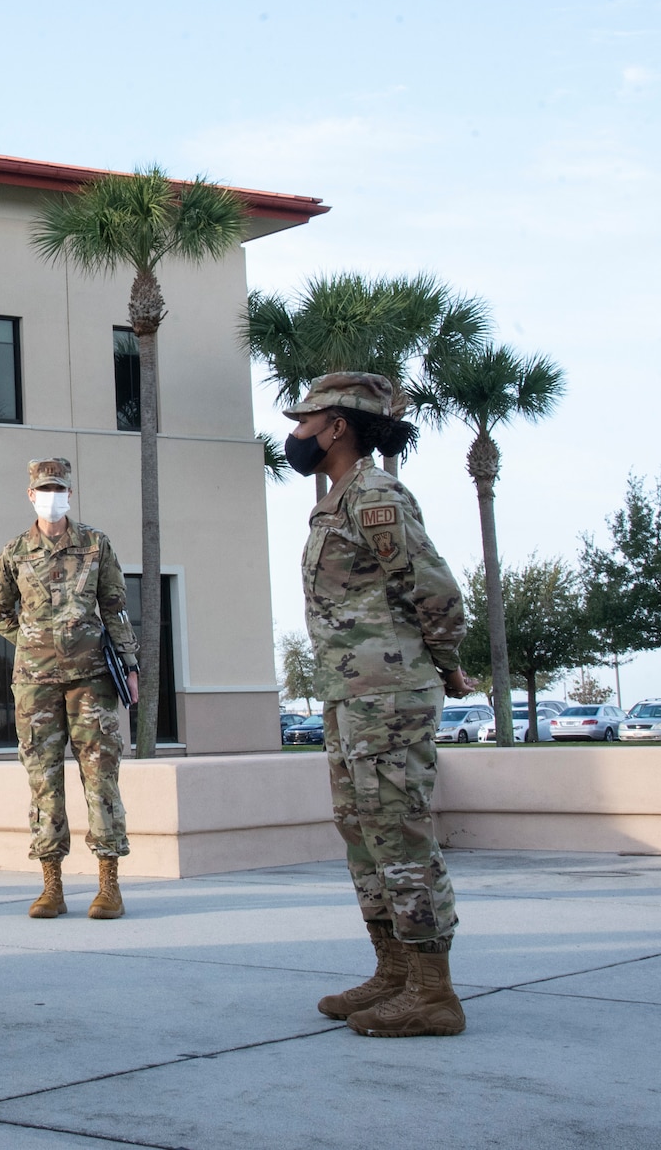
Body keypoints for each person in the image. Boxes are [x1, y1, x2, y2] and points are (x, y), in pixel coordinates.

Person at [281, 372, 473, 1038]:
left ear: (338, 426)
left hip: (388, 697)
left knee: (398, 832)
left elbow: (438, 591)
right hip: (351, 694)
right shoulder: (339, 499)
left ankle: (434, 992)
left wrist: (444, 663)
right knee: (362, 831)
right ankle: (394, 972)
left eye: (308, 422)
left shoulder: (376, 495)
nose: (297, 433)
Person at [0, 458, 142, 920]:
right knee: (43, 782)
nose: (51, 495)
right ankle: (51, 887)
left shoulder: (96, 544)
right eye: (43, 488)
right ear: (31, 495)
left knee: (101, 779)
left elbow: (114, 607)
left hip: (92, 680)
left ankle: (109, 886)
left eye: (58, 487)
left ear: (68, 493)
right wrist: (36, 641)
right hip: (34, 685)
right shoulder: (15, 551)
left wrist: (129, 665)